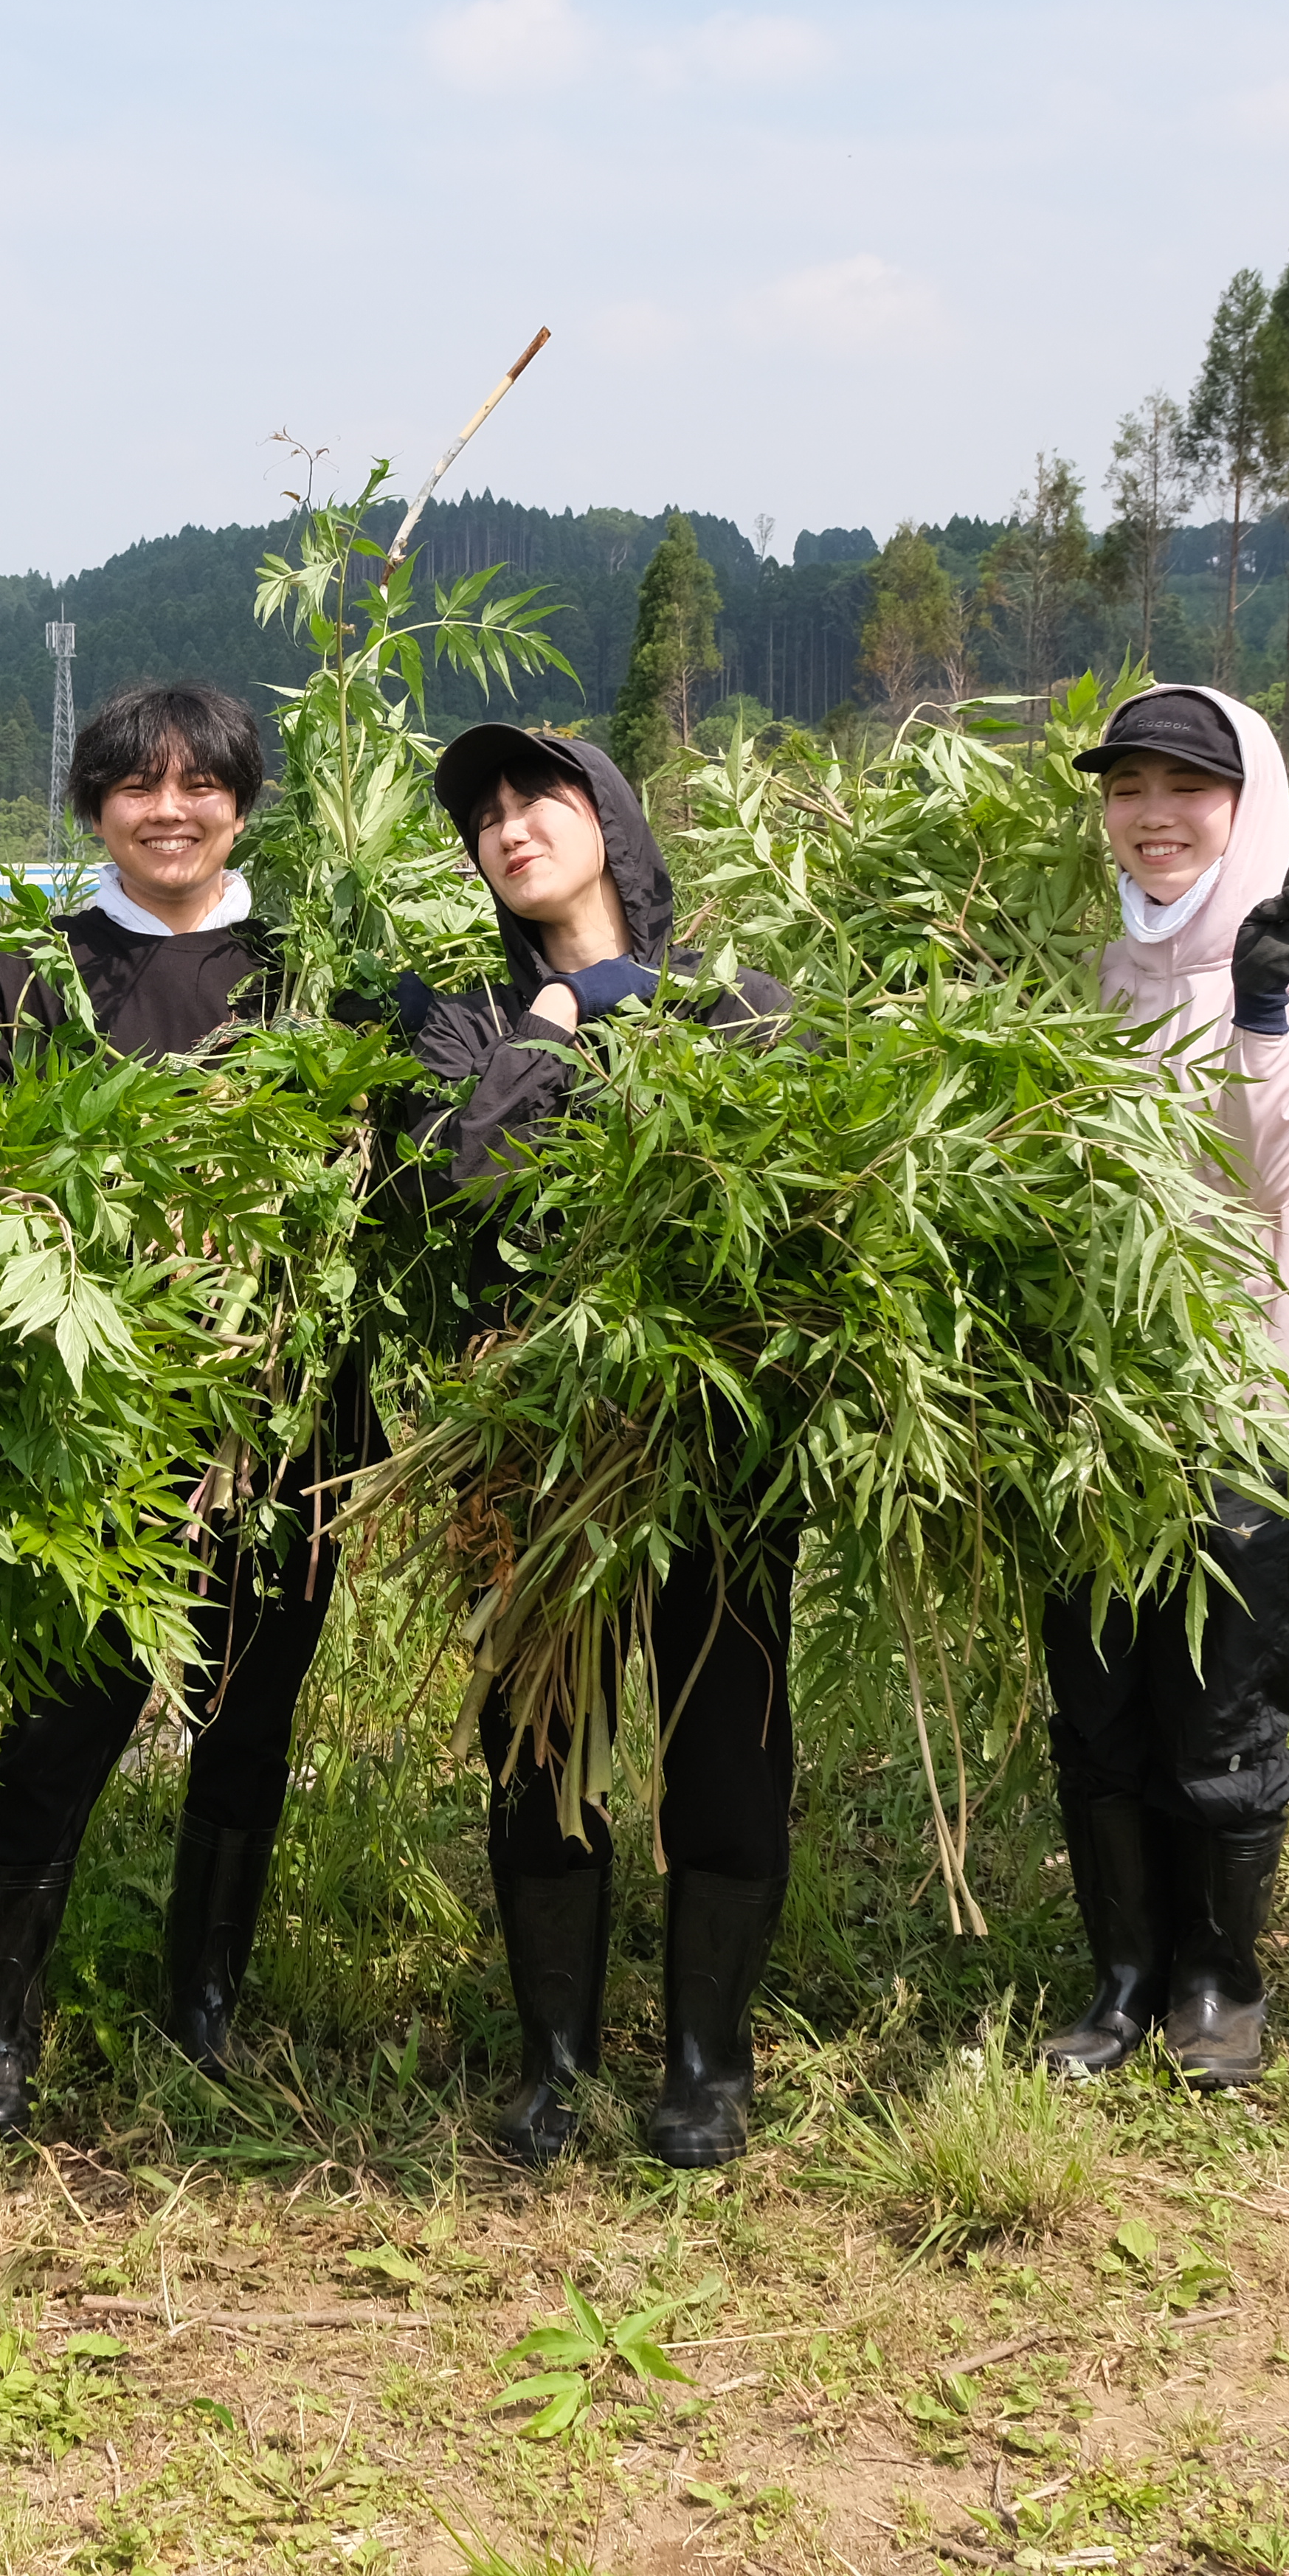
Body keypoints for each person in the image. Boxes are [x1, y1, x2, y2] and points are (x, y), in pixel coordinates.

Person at [0, 679, 341, 2142]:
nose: (170, 807)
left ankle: (202, 2001)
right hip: (92, 1425)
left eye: (198, 783)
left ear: (241, 804)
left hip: (281, 1421)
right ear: (95, 812)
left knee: (251, 1713)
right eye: (135, 786)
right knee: (64, 1719)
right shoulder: (44, 974)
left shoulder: (306, 965)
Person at [404, 723, 801, 2170]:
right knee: (543, 1746)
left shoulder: (743, 1004)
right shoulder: (464, 1023)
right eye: (486, 815)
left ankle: (707, 2063)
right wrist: (564, 1023)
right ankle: (553, 2059)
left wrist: (659, 1025)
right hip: (536, 1433)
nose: (509, 825)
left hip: (715, 1440)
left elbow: (792, 1199)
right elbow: (474, 1179)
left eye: (539, 798)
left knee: (728, 1747)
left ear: (611, 818)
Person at [1040, 687, 1289, 2091]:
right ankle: (1121, 1979)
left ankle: (1220, 1984)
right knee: (1099, 1701)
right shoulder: (1109, 964)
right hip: (1110, 1408)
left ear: (1250, 806)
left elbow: (1277, 1170)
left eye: (1188, 787)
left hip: (1257, 1402)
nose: (1153, 815)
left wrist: (1255, 1004)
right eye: (1127, 789)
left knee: (1217, 1705)